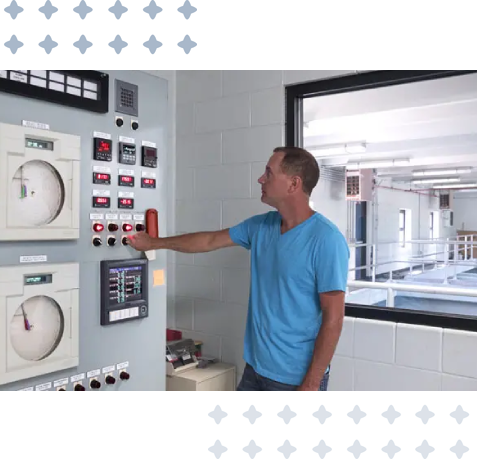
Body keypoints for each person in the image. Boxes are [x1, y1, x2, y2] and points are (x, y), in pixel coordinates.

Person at [127, 147, 350, 391]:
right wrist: (154, 243)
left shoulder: (326, 239)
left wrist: (311, 384)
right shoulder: (262, 226)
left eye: (269, 173)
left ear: (293, 184)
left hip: (295, 379)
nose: (261, 179)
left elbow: (334, 319)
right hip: (255, 370)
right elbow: (209, 240)